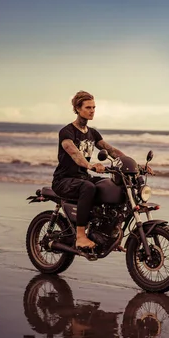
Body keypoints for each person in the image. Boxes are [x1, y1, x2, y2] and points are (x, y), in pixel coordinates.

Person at [51, 90, 132, 250]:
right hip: (64, 180)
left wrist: (133, 165)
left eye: (94, 107)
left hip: (82, 178)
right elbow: (73, 151)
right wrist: (90, 165)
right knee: (88, 187)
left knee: (112, 186)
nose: (92, 110)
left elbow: (111, 150)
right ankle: (81, 236)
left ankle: (109, 232)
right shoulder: (67, 132)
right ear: (77, 109)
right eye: (88, 107)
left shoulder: (92, 133)